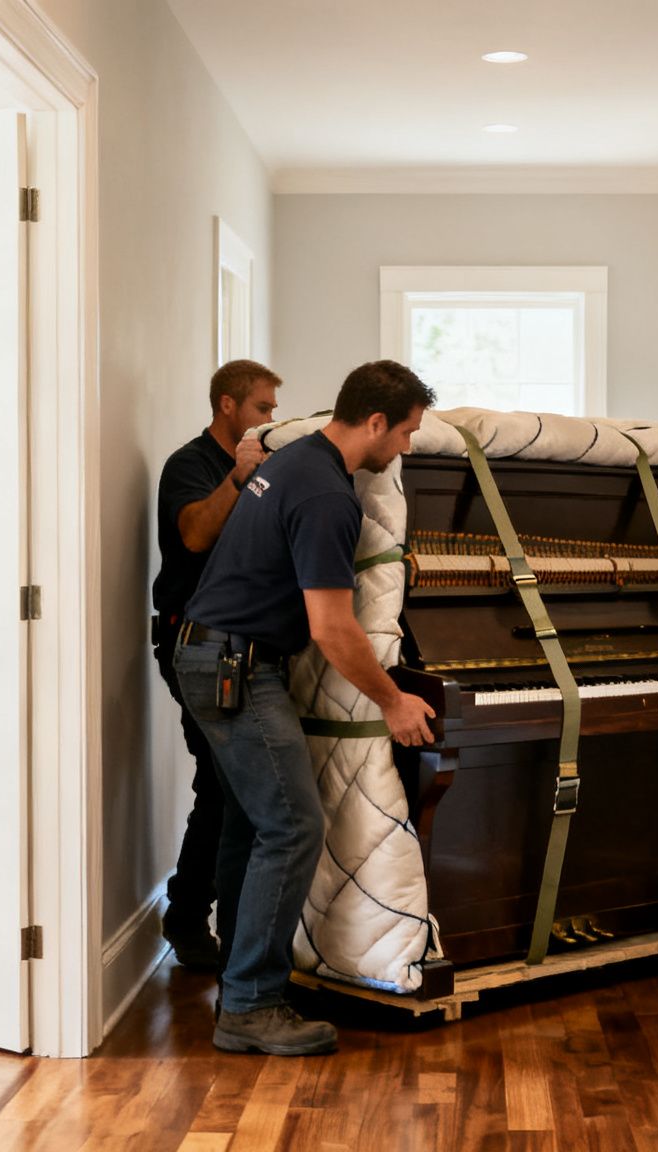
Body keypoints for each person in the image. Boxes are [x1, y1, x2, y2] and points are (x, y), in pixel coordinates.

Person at [172, 359, 439, 1056]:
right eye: (406, 432)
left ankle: (241, 983)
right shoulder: (326, 494)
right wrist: (393, 701)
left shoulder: (296, 462)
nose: (407, 447)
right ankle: (251, 1005)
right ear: (375, 422)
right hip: (234, 667)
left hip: (211, 654)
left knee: (248, 824)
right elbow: (332, 627)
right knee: (293, 826)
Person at [150, 359, 280, 971]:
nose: (271, 418)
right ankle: (191, 919)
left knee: (222, 787)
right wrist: (238, 477)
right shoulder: (190, 465)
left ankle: (192, 916)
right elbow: (195, 536)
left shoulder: (263, 467)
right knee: (225, 787)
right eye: (263, 407)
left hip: (241, 644)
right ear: (228, 405)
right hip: (193, 645)